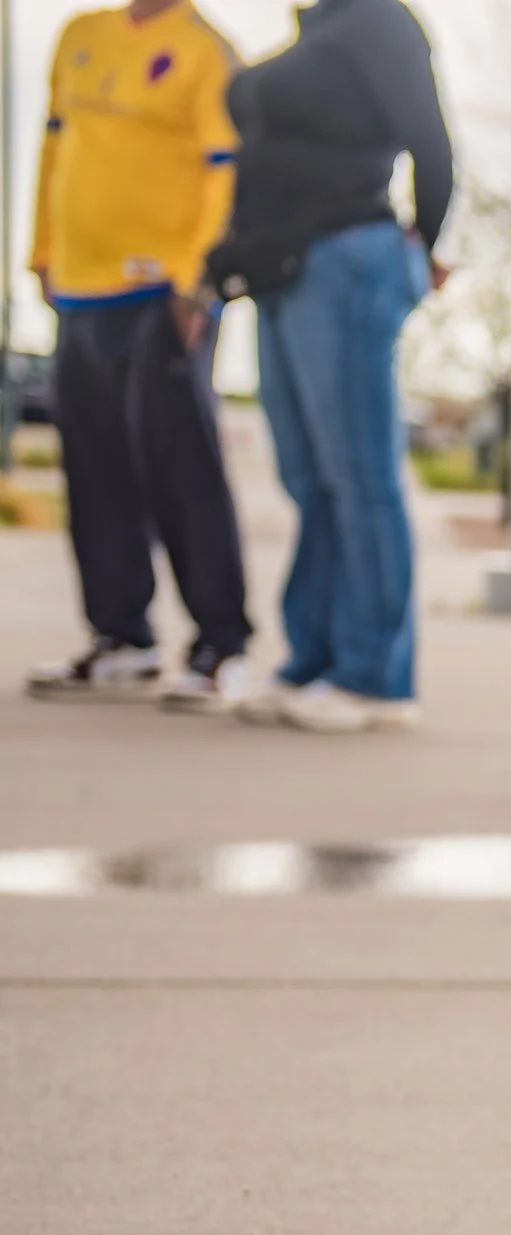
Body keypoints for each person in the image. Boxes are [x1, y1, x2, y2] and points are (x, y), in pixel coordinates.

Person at [211, 0, 453, 733]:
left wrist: (423, 243)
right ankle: (311, 661)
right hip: (281, 272)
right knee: (309, 480)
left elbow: (431, 144)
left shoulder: (381, 20)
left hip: (349, 260)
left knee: (360, 477)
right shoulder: (314, 33)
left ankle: (376, 680)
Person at [23, 0, 253, 709]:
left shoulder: (205, 49)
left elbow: (226, 173)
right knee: (93, 471)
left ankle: (221, 644)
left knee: (181, 469)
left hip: (162, 296)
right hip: (80, 291)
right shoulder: (79, 35)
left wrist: (195, 280)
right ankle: (121, 635)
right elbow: (56, 146)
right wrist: (42, 253)